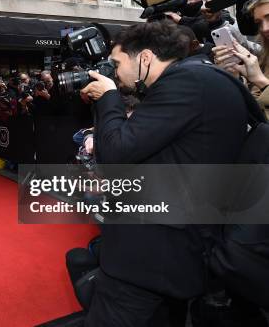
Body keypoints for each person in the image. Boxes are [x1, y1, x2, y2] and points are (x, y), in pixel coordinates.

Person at [79, 20, 249, 326]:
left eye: (116, 64)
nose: (113, 73)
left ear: (144, 58)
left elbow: (116, 153)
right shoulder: (202, 77)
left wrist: (108, 97)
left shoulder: (186, 82)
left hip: (152, 256)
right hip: (173, 248)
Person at [213, 0, 269, 119]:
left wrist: (260, 80)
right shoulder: (265, 57)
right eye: (259, 23)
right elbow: (255, 109)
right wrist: (234, 77)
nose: (264, 28)